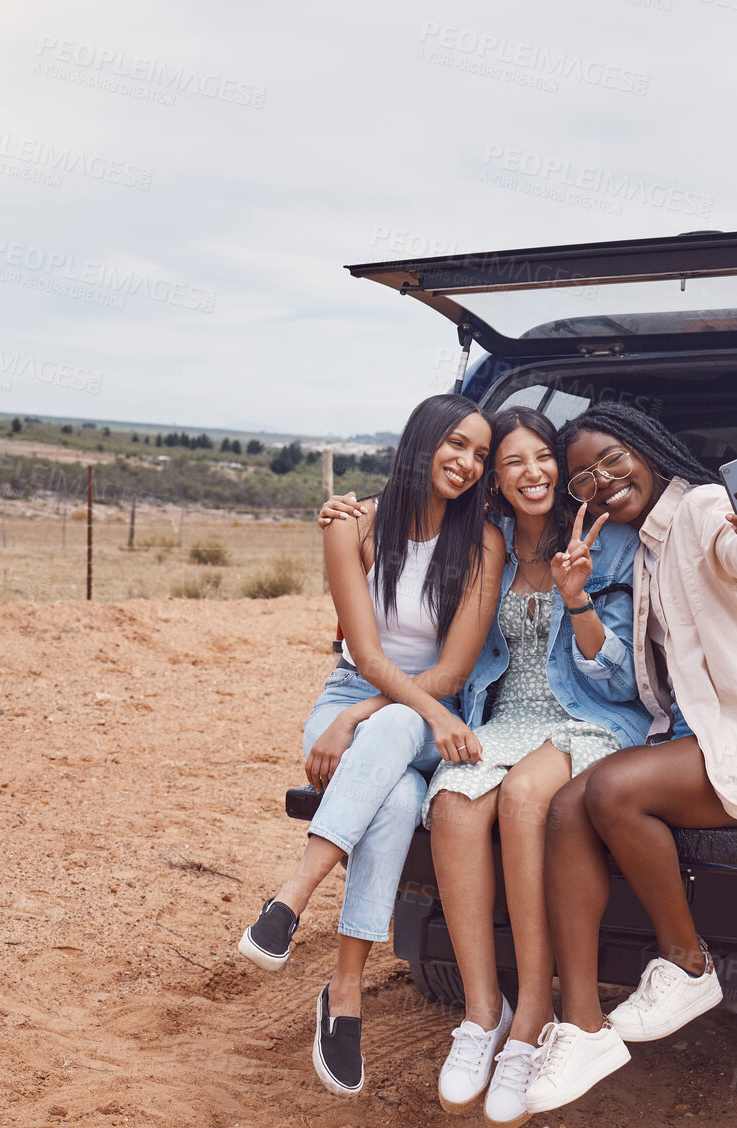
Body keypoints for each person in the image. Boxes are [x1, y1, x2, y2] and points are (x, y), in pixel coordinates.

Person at [317, 407, 650, 1124]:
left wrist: (577, 598)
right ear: (493, 482)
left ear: (560, 468)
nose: (531, 472)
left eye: (542, 458)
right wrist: (351, 510)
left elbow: (622, 682)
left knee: (526, 797)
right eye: (511, 462)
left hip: (589, 719)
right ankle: (481, 1014)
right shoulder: (484, 542)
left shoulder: (608, 542)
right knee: (455, 802)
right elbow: (407, 540)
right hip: (502, 722)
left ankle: (532, 1018)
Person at [523, 402, 737, 1115]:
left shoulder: (697, 510)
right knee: (570, 803)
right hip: (693, 752)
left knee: (608, 793)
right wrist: (575, 602)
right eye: (580, 481)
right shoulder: (640, 551)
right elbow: (631, 680)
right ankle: (581, 1025)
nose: (597, 483)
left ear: (643, 447)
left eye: (609, 459)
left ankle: (687, 966)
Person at [238, 394, 503, 1097]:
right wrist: (350, 713)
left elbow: (448, 673)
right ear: (420, 440)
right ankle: (345, 991)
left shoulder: (482, 543)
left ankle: (291, 898)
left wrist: (380, 716)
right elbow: (360, 647)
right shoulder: (352, 525)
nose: (468, 463)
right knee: (393, 803)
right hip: (352, 697)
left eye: (480, 454)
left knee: (390, 727)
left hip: (425, 708)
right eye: (456, 443)